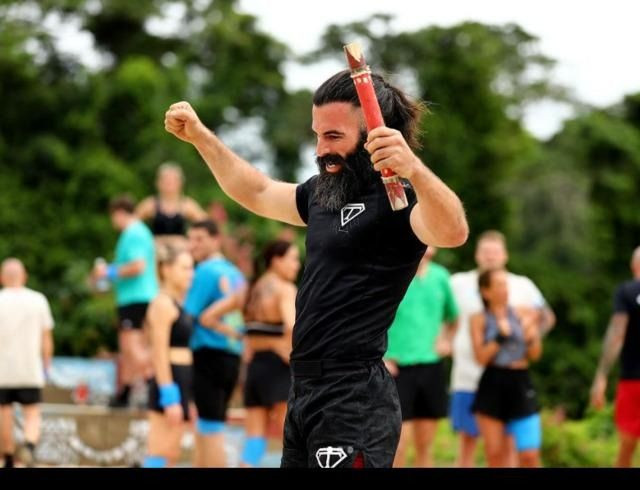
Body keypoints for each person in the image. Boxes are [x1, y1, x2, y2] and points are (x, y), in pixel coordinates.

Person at [164, 69, 468, 468]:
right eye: (317, 134)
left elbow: (454, 231)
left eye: (334, 136)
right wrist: (201, 137)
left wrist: (413, 169)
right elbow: (256, 191)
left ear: (374, 136)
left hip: (354, 395)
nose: (320, 149)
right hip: (305, 388)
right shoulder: (322, 196)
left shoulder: (397, 203)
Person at [449, 230, 555, 467]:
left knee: (509, 447)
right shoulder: (457, 282)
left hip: (512, 375)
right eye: (485, 251)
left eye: (495, 251)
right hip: (467, 376)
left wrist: (531, 335)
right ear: (476, 254)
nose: (490, 256)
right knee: (471, 444)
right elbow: (440, 314)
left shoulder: (522, 285)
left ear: (505, 255)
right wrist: (442, 341)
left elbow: (546, 316)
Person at [384, 247, 458, 467]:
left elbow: (453, 318)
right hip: (396, 368)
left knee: (425, 447)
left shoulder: (441, 277)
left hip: (431, 367)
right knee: (397, 446)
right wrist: (382, 357)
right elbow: (370, 320)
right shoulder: (391, 274)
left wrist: (446, 340)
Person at [184, 219, 247, 467]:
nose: (192, 245)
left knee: (210, 428)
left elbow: (187, 315)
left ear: (215, 239)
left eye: (199, 239)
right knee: (211, 424)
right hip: (231, 355)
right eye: (190, 239)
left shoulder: (205, 271)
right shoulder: (236, 274)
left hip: (208, 354)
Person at [470, 268, 543, 467]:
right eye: (499, 285)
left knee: (529, 455)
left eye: (506, 284)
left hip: (520, 380)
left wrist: (533, 337)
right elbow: (480, 358)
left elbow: (535, 354)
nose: (505, 289)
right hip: (493, 381)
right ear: (486, 291)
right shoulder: (479, 319)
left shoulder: (521, 313)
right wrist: (499, 337)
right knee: (495, 454)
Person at [237, 240, 300, 467]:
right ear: (276, 260)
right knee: (292, 437)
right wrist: (292, 354)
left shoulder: (251, 288)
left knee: (254, 440)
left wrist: (245, 340)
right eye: (292, 259)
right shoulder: (285, 289)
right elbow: (292, 326)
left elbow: (208, 318)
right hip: (279, 368)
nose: (296, 265)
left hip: (256, 366)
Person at [93, 195, 159, 408]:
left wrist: (109, 272)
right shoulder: (138, 232)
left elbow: (138, 266)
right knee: (127, 346)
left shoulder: (134, 233)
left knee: (133, 347)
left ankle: (153, 384)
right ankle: (126, 393)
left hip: (137, 297)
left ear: (119, 213)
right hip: (135, 297)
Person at [143, 245, 195, 468]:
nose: (190, 273)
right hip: (169, 381)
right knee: (160, 450)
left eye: (192, 268)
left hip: (182, 380)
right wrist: (169, 395)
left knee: (171, 453)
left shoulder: (177, 304)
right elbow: (159, 352)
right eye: (184, 268)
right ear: (166, 269)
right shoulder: (162, 304)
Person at [0, 258, 54, 468]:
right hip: (29, 368)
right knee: (32, 412)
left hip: (3, 370)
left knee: (5, 411)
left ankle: (8, 456)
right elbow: (46, 338)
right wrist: (47, 363)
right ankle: (29, 446)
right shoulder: (38, 300)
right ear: (24, 276)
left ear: (3, 277)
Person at [590, 246, 640, 467]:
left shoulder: (626, 292)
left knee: (627, 444)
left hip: (632, 379)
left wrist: (601, 377)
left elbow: (617, 335)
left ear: (633, 266)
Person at [136, 162, 207, 247]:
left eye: (172, 181)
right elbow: (132, 225)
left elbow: (206, 226)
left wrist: (191, 240)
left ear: (180, 183)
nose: (169, 184)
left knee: (184, 259)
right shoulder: (150, 204)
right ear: (158, 183)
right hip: (156, 248)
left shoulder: (187, 205)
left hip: (181, 249)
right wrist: (146, 240)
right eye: (166, 180)